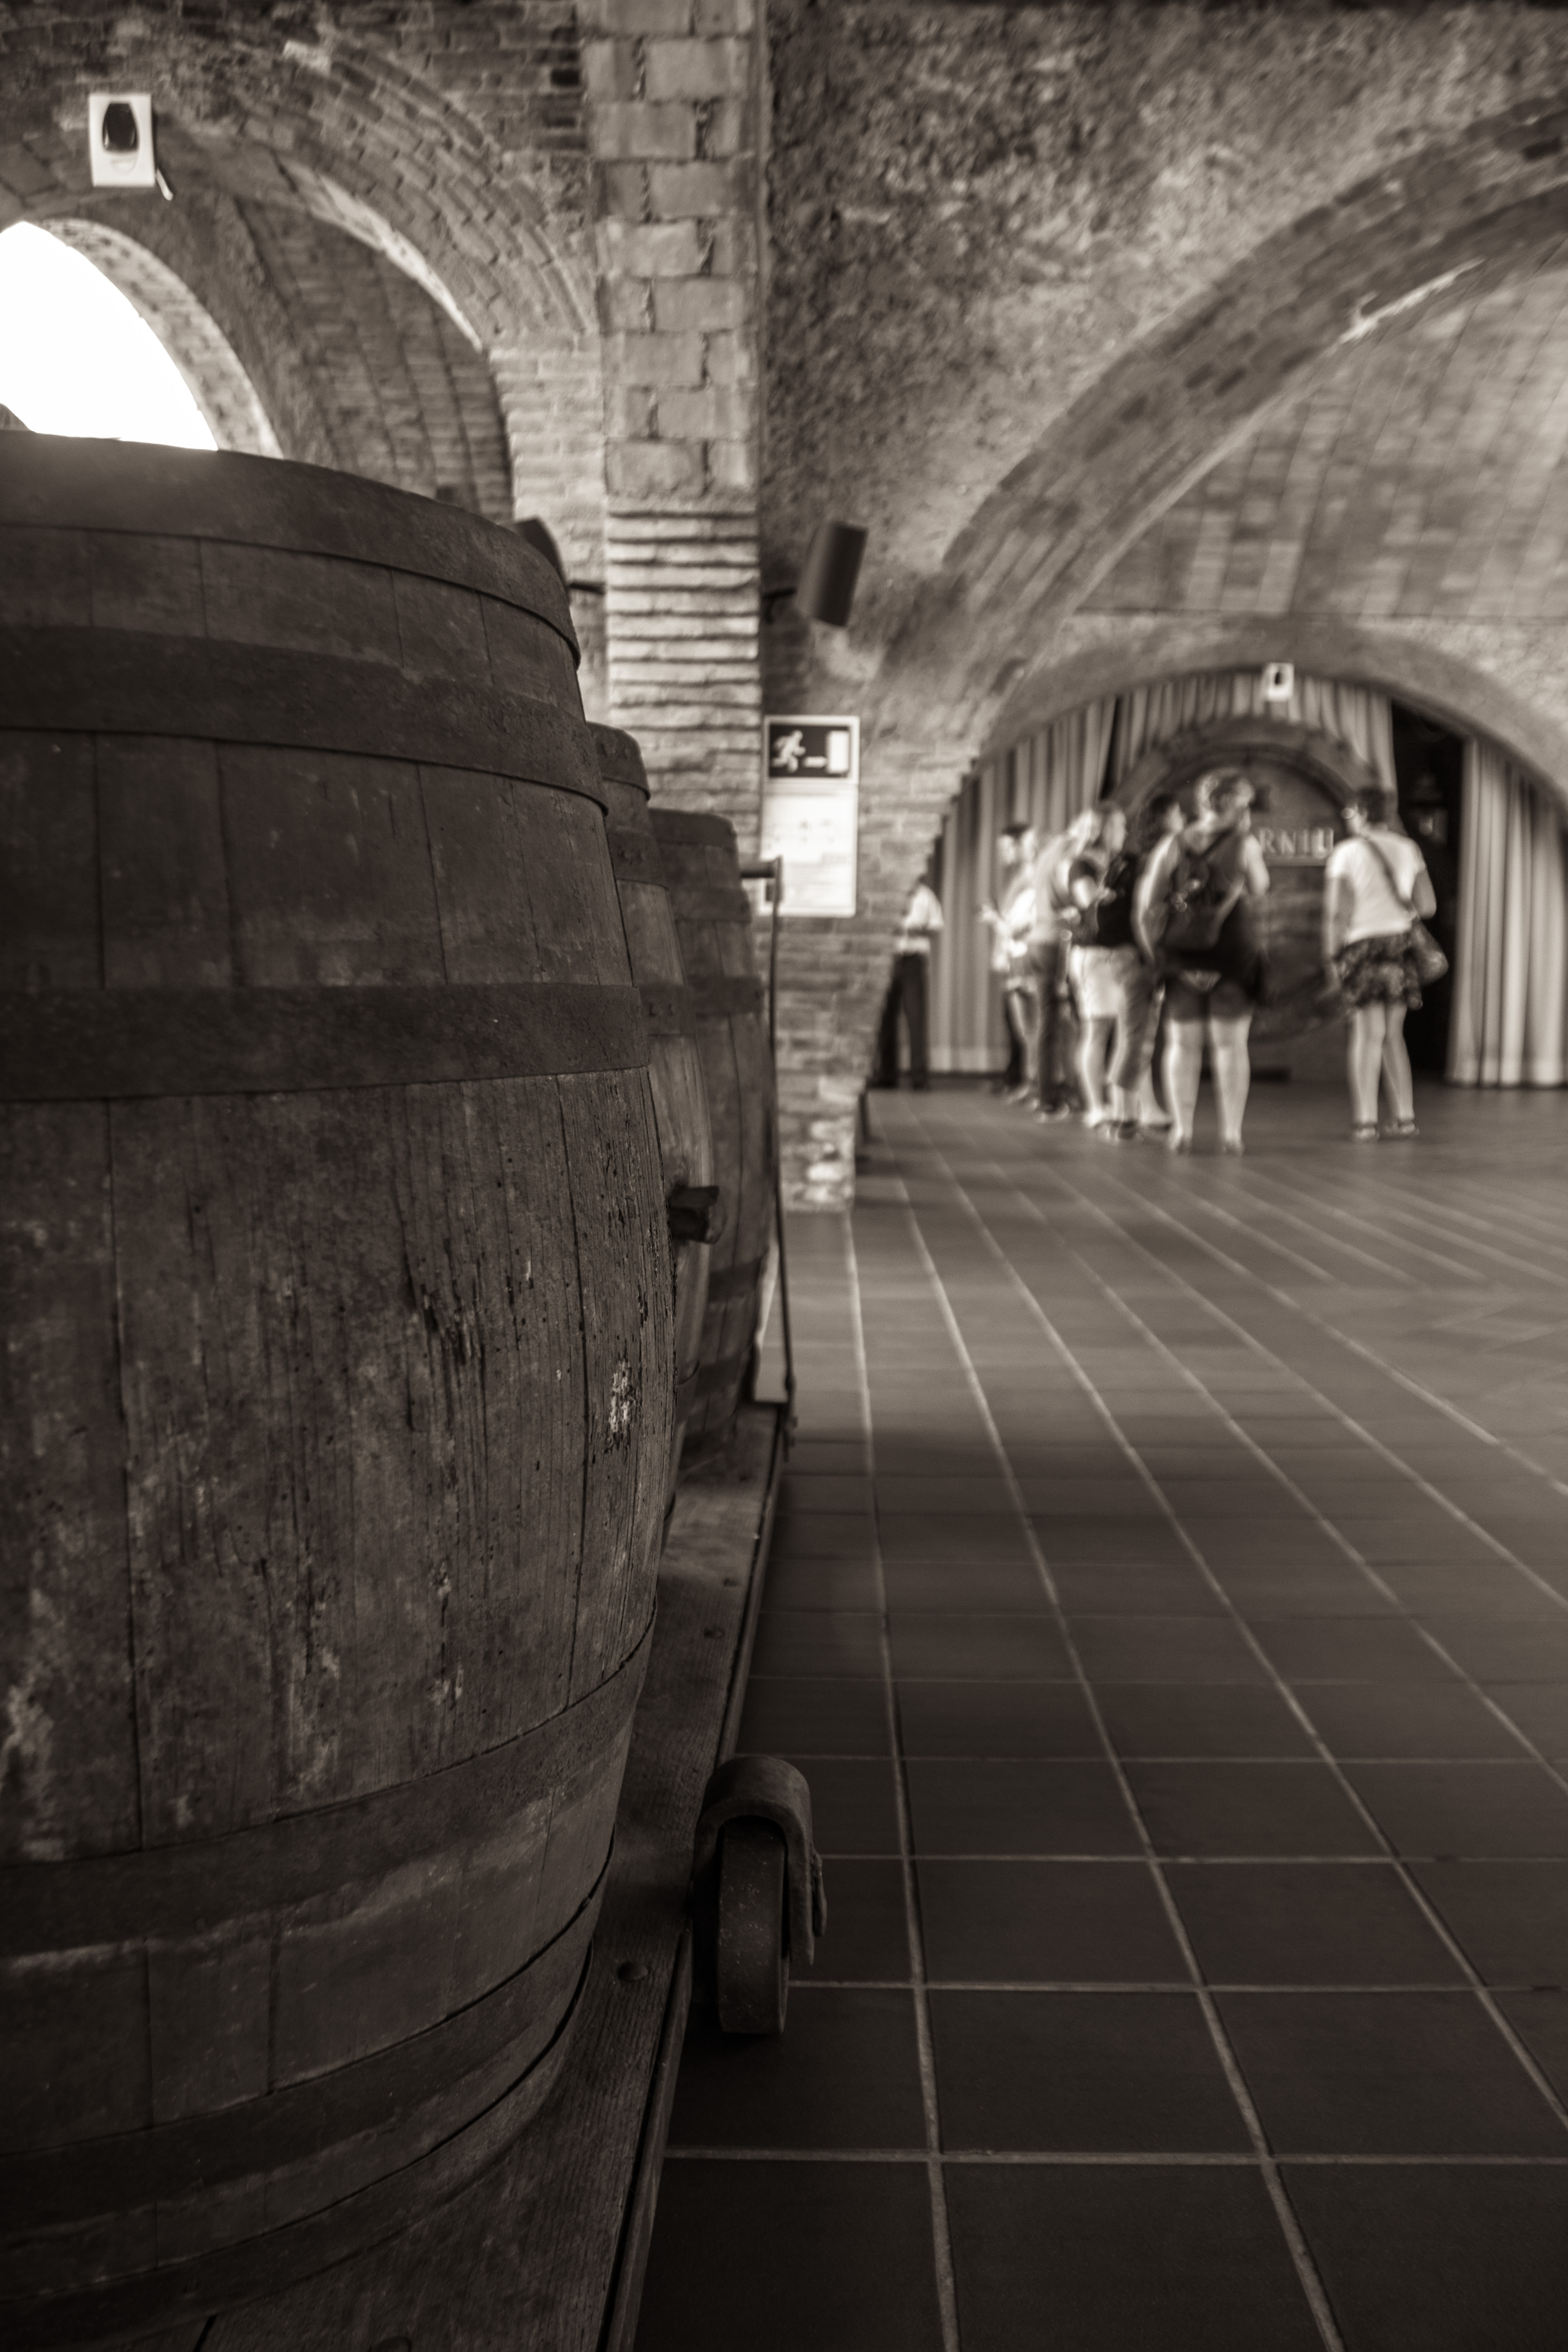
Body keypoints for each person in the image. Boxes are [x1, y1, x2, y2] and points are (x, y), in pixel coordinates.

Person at [1134, 769, 1270, 1155]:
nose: (1248, 808)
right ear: (1229, 803)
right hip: (1232, 956)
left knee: (1182, 1045)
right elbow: (1260, 888)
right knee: (1230, 1046)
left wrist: (1159, 957)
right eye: (1244, 801)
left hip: (1181, 959)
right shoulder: (1245, 843)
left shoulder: (1173, 843)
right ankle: (1231, 1134)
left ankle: (1183, 1130)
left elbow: (1148, 906)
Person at [1322, 786, 1436, 1140]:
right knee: (1393, 1036)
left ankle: (1366, 1121)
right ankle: (1405, 1117)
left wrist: (1332, 958)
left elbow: (1337, 913)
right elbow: (1427, 905)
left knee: (1367, 1036)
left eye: (1350, 814)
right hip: (1399, 948)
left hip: (1362, 947)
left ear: (1360, 812)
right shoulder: (1408, 848)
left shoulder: (1347, 852)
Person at [1096, 790, 1185, 1142]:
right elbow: (1143, 916)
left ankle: (1124, 1112)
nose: (1183, 821)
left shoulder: (1130, 859)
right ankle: (1124, 1117)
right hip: (1137, 957)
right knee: (1136, 1037)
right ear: (1167, 818)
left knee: (1129, 1034)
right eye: (1178, 814)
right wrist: (1155, 959)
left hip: (1120, 956)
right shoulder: (1154, 861)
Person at [1026, 808, 1099, 1120]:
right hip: (1058, 942)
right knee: (1084, 1022)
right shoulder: (1071, 855)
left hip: (1038, 940)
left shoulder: (1050, 849)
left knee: (1048, 1023)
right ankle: (1084, 1097)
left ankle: (1048, 1097)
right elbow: (1079, 896)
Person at [1063, 805, 1129, 1127]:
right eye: (1119, 826)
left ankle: (1119, 1104)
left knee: (1120, 1032)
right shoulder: (1082, 864)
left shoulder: (1118, 862)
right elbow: (1087, 898)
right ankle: (1095, 1107)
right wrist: (1113, 895)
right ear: (1104, 829)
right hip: (1094, 955)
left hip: (1118, 954)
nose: (1125, 833)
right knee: (1097, 1030)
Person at [873, 866, 945, 1089]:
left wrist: (919, 930)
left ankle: (919, 1077)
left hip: (914, 960)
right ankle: (886, 1075)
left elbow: (937, 927)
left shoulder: (926, 896)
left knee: (916, 1019)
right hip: (889, 958)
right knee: (886, 1019)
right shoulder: (888, 893)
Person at [980, 822, 1037, 1097]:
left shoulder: (1032, 879)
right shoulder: (1019, 879)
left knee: (1029, 1027)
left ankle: (1031, 1083)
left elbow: (1021, 926)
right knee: (1018, 1026)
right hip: (1013, 957)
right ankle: (1021, 1079)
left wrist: (995, 919)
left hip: (1026, 958)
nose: (1003, 854)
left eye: (1006, 848)